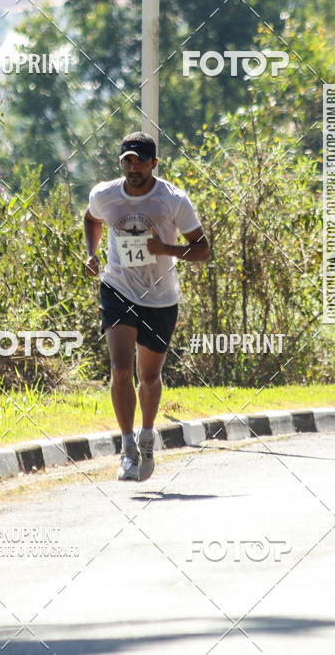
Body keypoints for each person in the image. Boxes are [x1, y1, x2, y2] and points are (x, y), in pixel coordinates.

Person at [83, 131, 210, 482]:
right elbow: (91, 218)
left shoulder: (172, 200)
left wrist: (166, 250)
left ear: (154, 163)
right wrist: (92, 255)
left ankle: (147, 437)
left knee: (149, 377)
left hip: (160, 298)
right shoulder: (105, 195)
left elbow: (202, 250)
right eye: (127, 160)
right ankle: (126, 449)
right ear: (120, 162)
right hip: (118, 288)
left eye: (140, 160)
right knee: (121, 369)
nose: (133, 166)